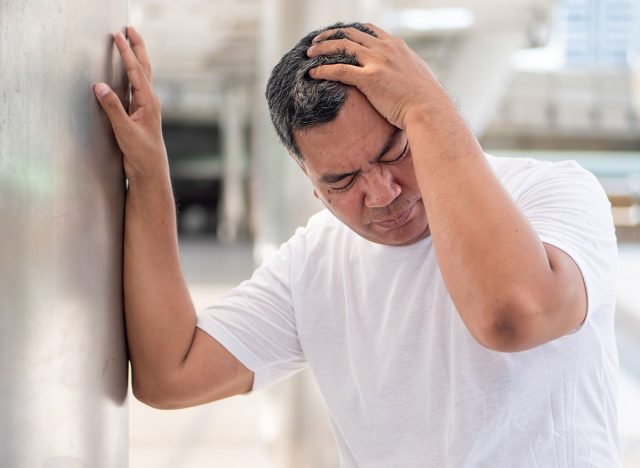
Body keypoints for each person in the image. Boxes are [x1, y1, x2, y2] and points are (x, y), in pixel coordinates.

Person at [94, 21, 620, 467]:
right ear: (311, 184)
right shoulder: (314, 261)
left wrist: (427, 106)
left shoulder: (552, 193)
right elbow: (171, 373)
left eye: (397, 151)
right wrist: (149, 177)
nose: (381, 194)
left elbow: (513, 316)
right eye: (342, 182)